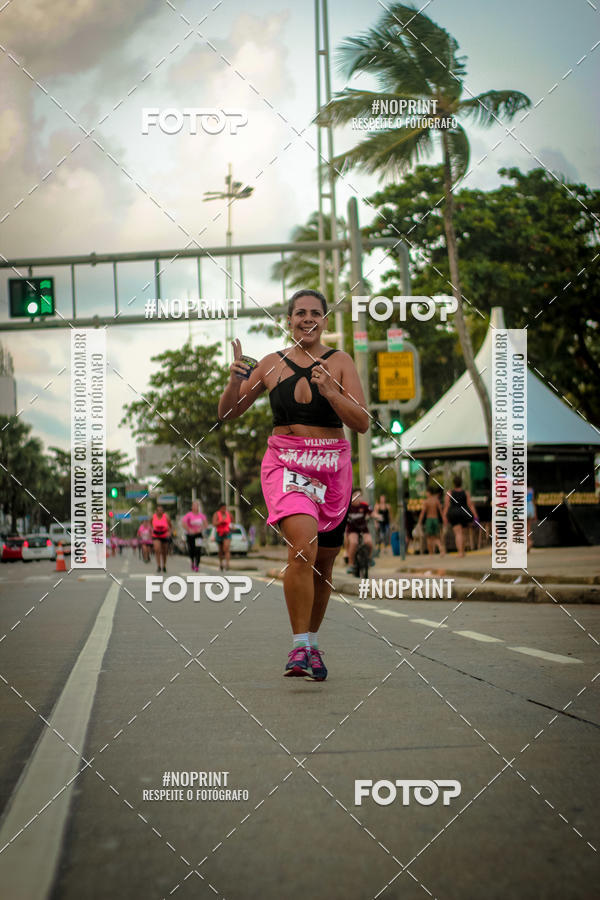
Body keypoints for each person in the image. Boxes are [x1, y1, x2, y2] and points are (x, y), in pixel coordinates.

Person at [217, 288, 368, 681]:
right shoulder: (271, 364)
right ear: (288, 321)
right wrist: (233, 383)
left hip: (331, 468)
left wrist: (331, 392)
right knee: (302, 548)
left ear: (325, 321)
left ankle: (312, 644)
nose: (308, 319)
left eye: (315, 313)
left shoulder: (340, 362)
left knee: (324, 562)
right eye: (300, 313)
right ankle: (299, 644)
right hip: (287, 466)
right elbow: (229, 413)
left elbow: (362, 422)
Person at [443, 475, 478, 557]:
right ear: (461, 483)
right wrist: (475, 515)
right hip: (464, 513)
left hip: (454, 513)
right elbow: (470, 505)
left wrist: (444, 516)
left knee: (458, 533)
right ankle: (463, 551)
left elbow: (446, 506)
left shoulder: (449, 493)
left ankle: (460, 552)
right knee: (463, 533)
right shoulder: (466, 493)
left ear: (453, 483)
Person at [345, 489, 374, 573]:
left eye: (359, 496)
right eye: (355, 495)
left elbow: (372, 513)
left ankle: (369, 559)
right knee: (354, 543)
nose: (358, 498)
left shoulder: (364, 505)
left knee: (369, 543)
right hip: (352, 530)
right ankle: (350, 564)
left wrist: (378, 517)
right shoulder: (347, 506)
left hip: (363, 529)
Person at [417, 486, 445, 557]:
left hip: (429, 520)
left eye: (426, 492)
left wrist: (419, 522)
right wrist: (444, 519)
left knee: (429, 537)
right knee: (436, 537)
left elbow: (423, 513)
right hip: (435, 519)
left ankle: (431, 553)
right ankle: (440, 546)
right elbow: (441, 511)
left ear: (429, 492)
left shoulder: (426, 501)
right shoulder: (436, 500)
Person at [182, 501, 208, 572]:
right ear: (192, 507)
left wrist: (201, 529)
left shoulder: (201, 515)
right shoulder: (188, 515)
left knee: (198, 550)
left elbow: (206, 524)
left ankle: (197, 565)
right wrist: (189, 530)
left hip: (198, 535)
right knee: (191, 550)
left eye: (197, 506)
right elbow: (183, 523)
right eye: (194, 506)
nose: (195, 507)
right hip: (190, 535)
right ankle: (192, 562)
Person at [151, 504, 172, 573]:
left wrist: (169, 532)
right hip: (156, 535)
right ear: (156, 511)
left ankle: (164, 565)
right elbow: (150, 524)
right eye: (158, 510)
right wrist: (151, 530)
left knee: (164, 551)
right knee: (157, 549)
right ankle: (158, 566)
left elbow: (170, 525)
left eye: (161, 510)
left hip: (164, 535)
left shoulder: (166, 517)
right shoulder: (153, 517)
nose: (160, 511)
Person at [212, 503, 232, 572]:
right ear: (220, 508)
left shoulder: (228, 514)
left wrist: (232, 526)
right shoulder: (216, 514)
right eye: (223, 508)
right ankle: (221, 563)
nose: (224, 510)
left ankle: (227, 564)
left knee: (226, 548)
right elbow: (214, 523)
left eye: (225, 508)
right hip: (219, 533)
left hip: (227, 533)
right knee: (220, 550)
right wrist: (220, 521)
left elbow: (232, 521)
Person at [526, 485, 537, 551]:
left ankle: (527, 542)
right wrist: (535, 513)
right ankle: (529, 541)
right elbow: (533, 500)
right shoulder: (530, 490)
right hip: (530, 507)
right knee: (528, 527)